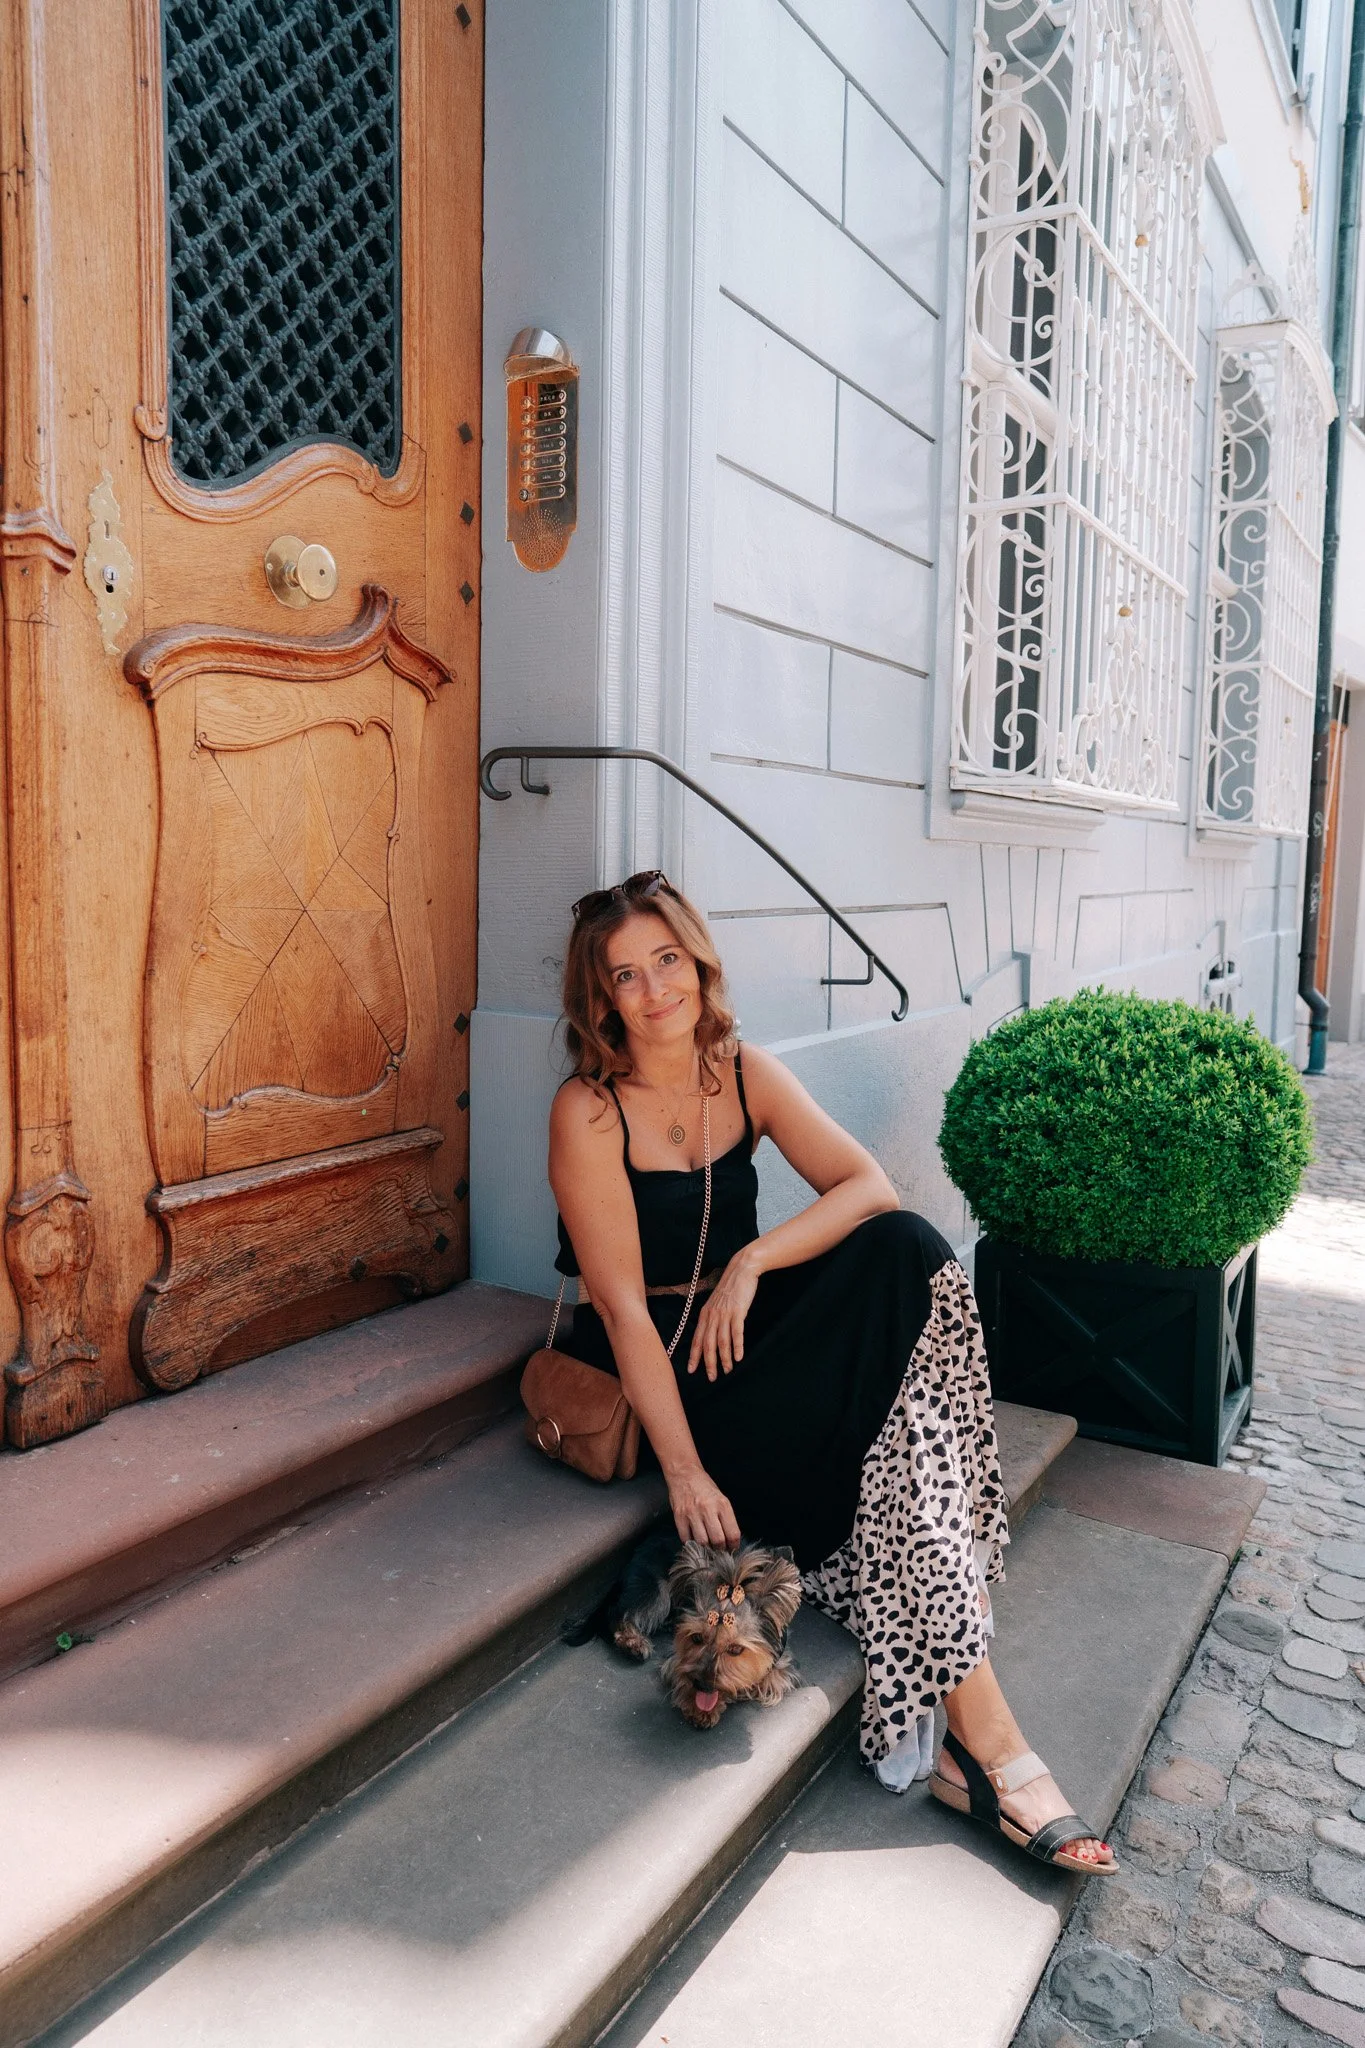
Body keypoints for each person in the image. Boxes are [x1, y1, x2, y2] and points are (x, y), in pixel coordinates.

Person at [548, 870, 1116, 1876]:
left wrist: (752, 1260)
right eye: (625, 976)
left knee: (901, 1245)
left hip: (745, 1333)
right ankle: (991, 1749)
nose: (652, 989)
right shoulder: (588, 1111)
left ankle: (973, 1740)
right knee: (901, 1439)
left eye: (667, 960)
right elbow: (627, 1311)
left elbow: (870, 1185)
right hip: (674, 1383)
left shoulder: (744, 1070)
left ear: (699, 960)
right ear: (601, 999)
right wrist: (684, 1474)